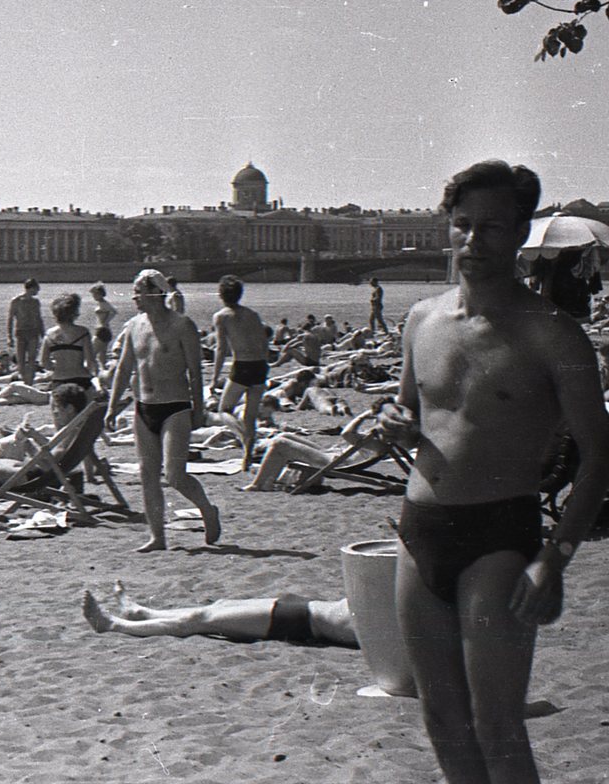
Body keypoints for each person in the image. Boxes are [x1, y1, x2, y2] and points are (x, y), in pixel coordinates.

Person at [384, 160, 609, 784]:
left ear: (519, 235)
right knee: (440, 720)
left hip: (499, 539)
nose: (472, 242)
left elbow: (599, 457)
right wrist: (392, 425)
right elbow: (409, 409)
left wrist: (554, 557)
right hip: (418, 528)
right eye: (461, 226)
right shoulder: (421, 320)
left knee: (498, 728)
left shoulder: (554, 335)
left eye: (490, 228)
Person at [104, 269, 222, 552]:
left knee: (174, 474)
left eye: (138, 292)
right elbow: (123, 369)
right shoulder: (133, 326)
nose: (134, 298)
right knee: (147, 474)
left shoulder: (182, 325)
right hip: (144, 407)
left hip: (176, 407)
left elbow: (195, 371)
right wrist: (112, 406)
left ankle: (207, 509)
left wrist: (198, 409)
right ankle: (157, 537)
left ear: (155, 293)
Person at [81, 581, 356, 647]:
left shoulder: (388, 624)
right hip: (302, 610)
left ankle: (112, 624)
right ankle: (140, 611)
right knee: (218, 606)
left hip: (301, 623)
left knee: (197, 622)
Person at [243, 401, 391, 492]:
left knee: (279, 444)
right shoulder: (380, 437)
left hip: (335, 462)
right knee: (283, 436)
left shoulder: (378, 440)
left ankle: (258, 485)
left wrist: (362, 417)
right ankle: (268, 481)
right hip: (334, 455)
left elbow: (346, 433)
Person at [209, 275, 270, 471]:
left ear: (221, 295)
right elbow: (263, 343)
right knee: (250, 416)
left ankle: (244, 436)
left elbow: (220, 349)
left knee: (224, 409)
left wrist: (214, 377)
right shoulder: (252, 314)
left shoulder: (222, 316)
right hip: (260, 365)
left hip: (242, 365)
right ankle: (247, 457)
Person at [39, 292, 99, 391]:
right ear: (74, 313)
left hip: (59, 380)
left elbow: (44, 363)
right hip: (81, 379)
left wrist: (58, 367)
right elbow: (90, 361)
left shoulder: (49, 335)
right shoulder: (83, 332)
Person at [6, 279, 46, 385]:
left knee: (32, 358)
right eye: (37, 288)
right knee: (21, 359)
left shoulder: (35, 302)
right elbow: (10, 319)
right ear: (31, 288)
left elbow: (39, 319)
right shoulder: (16, 301)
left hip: (33, 332)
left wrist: (44, 335)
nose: (38, 291)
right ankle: (23, 381)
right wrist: (9, 337)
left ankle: (30, 382)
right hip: (21, 332)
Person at [88, 284, 117, 357]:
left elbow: (113, 312)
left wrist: (105, 321)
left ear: (100, 294)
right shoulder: (100, 303)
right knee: (102, 356)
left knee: (91, 353)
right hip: (102, 330)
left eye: (95, 294)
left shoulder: (104, 304)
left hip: (102, 330)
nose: (93, 296)